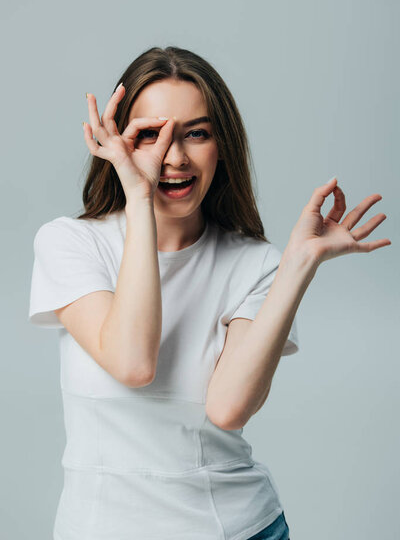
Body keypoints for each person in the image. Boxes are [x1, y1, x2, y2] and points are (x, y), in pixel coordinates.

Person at [28, 46, 390, 540]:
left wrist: (299, 262)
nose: (173, 157)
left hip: (238, 528)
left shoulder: (255, 263)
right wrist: (137, 196)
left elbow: (229, 408)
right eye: (150, 134)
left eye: (196, 133)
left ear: (223, 145)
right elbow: (133, 362)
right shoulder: (70, 242)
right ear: (119, 142)